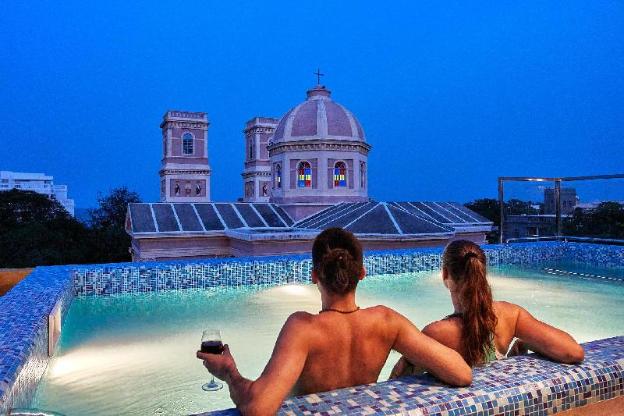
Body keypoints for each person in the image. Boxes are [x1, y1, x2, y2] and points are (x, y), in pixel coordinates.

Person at [197, 228, 472, 416]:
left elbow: (258, 408)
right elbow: (461, 373)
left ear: (314, 276)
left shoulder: (303, 329)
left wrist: (229, 373)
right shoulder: (386, 321)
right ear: (362, 273)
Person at [390, 240, 584, 378]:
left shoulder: (437, 333)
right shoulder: (510, 315)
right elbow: (573, 352)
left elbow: (397, 384)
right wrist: (527, 343)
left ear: (445, 274)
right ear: (482, 272)